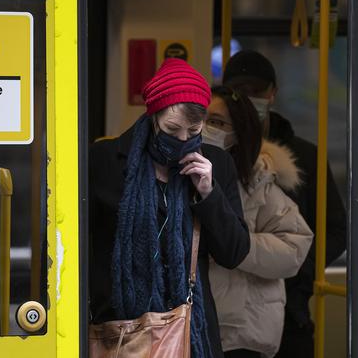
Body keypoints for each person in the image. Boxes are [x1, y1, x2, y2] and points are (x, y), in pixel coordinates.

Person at [89, 58, 251, 358]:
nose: (181, 140)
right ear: (153, 116)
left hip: (190, 334)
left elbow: (234, 252)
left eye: (193, 131)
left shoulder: (217, 164)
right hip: (121, 331)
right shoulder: (104, 160)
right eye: (172, 129)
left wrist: (207, 192)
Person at [223, 50, 347, 358]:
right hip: (230, 313)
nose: (248, 99)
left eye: (256, 91)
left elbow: (335, 229)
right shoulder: (217, 152)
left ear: (273, 93)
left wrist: (299, 271)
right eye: (238, 92)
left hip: (291, 309)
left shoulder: (305, 157)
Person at [203, 86, 313, 358]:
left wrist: (238, 246)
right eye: (200, 118)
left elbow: (294, 249)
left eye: (216, 122)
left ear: (239, 133)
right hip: (195, 325)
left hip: (241, 333)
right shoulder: (183, 174)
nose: (205, 128)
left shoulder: (258, 184)